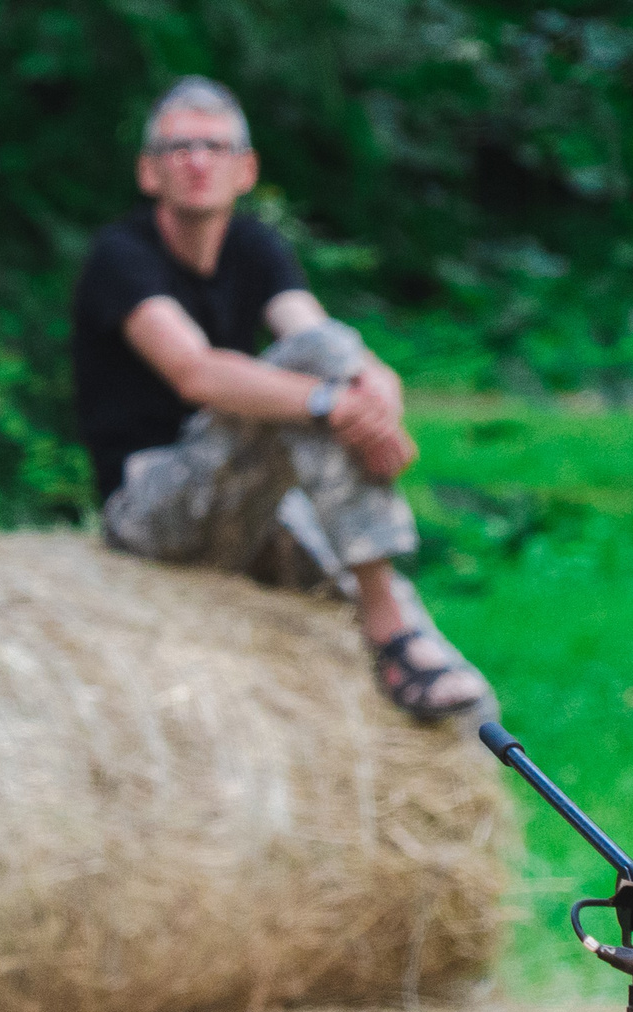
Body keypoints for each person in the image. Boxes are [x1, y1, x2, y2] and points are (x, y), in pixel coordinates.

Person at [72, 76, 490, 720]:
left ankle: (450, 702)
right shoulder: (121, 257)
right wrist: (334, 402)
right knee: (310, 388)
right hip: (151, 508)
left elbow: (318, 336)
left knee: (328, 359)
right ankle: (388, 628)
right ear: (148, 173)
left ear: (246, 169)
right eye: (178, 148)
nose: (197, 160)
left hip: (249, 499)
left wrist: (378, 390)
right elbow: (197, 373)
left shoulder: (257, 247)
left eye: (215, 147)